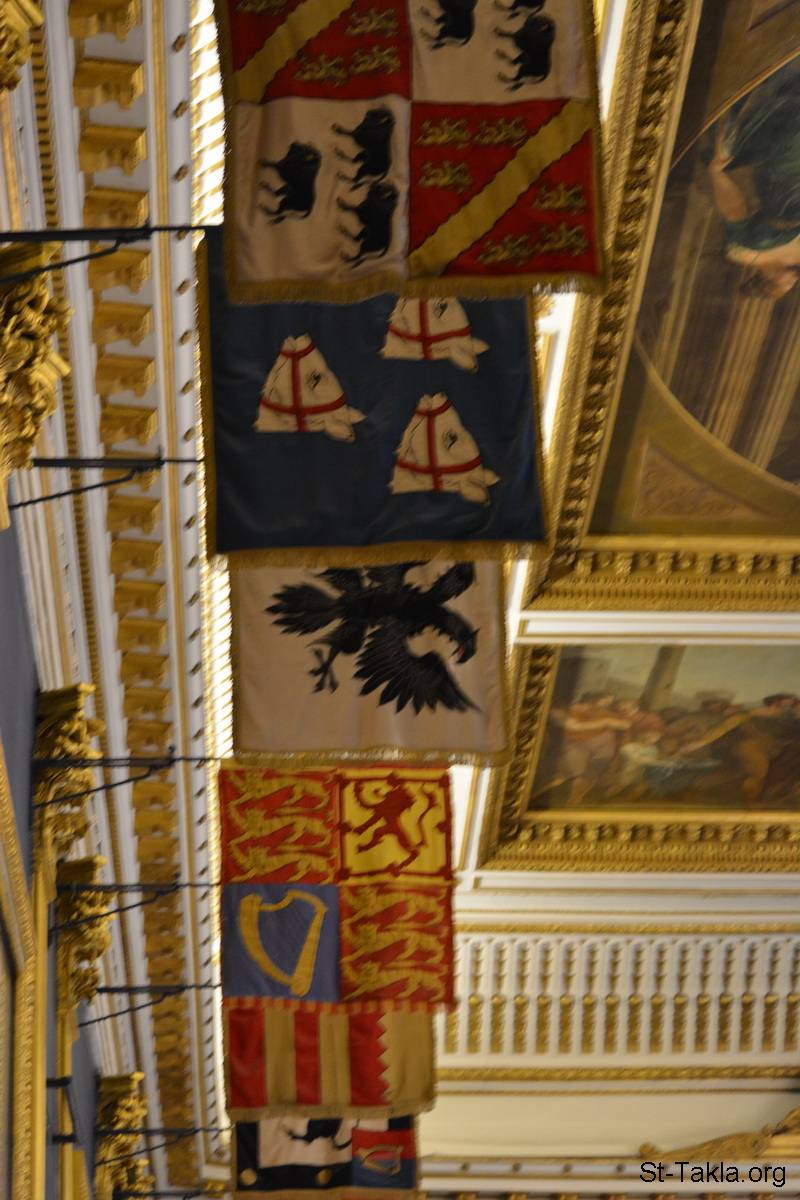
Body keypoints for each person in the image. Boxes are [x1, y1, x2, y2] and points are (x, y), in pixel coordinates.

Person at [708, 73, 800, 299]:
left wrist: (717, 174)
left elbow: (735, 210)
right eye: (790, 286)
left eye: (784, 285)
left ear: (767, 279)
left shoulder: (744, 253)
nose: (791, 282)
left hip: (784, 183)